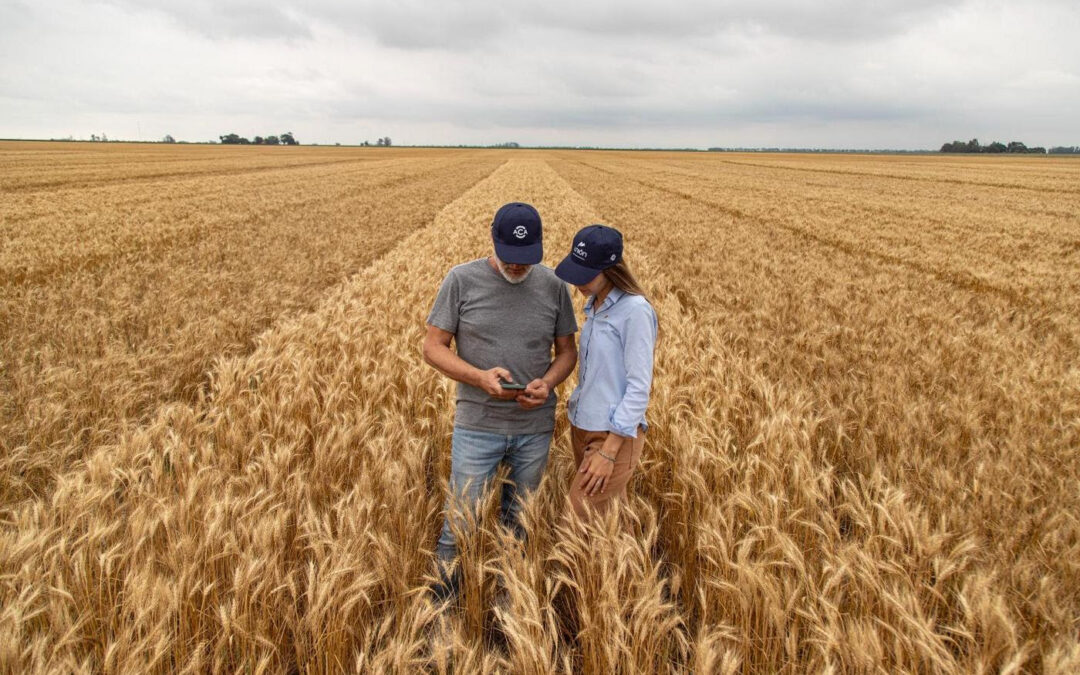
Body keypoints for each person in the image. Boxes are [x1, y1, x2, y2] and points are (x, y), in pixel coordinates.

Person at [423, 202, 577, 598]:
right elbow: (433, 347)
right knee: (459, 525)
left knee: (519, 525)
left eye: (525, 261)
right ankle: (442, 609)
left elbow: (566, 353)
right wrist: (478, 378)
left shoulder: (554, 286)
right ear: (493, 241)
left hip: (534, 429)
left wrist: (546, 382)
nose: (516, 267)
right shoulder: (460, 280)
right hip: (477, 425)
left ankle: (513, 612)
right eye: (510, 258)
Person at [553, 225, 658, 518]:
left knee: (575, 525)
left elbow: (639, 388)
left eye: (586, 275)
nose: (577, 283)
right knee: (606, 526)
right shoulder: (595, 305)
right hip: (582, 426)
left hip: (612, 436)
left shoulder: (635, 311)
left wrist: (609, 450)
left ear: (611, 269)